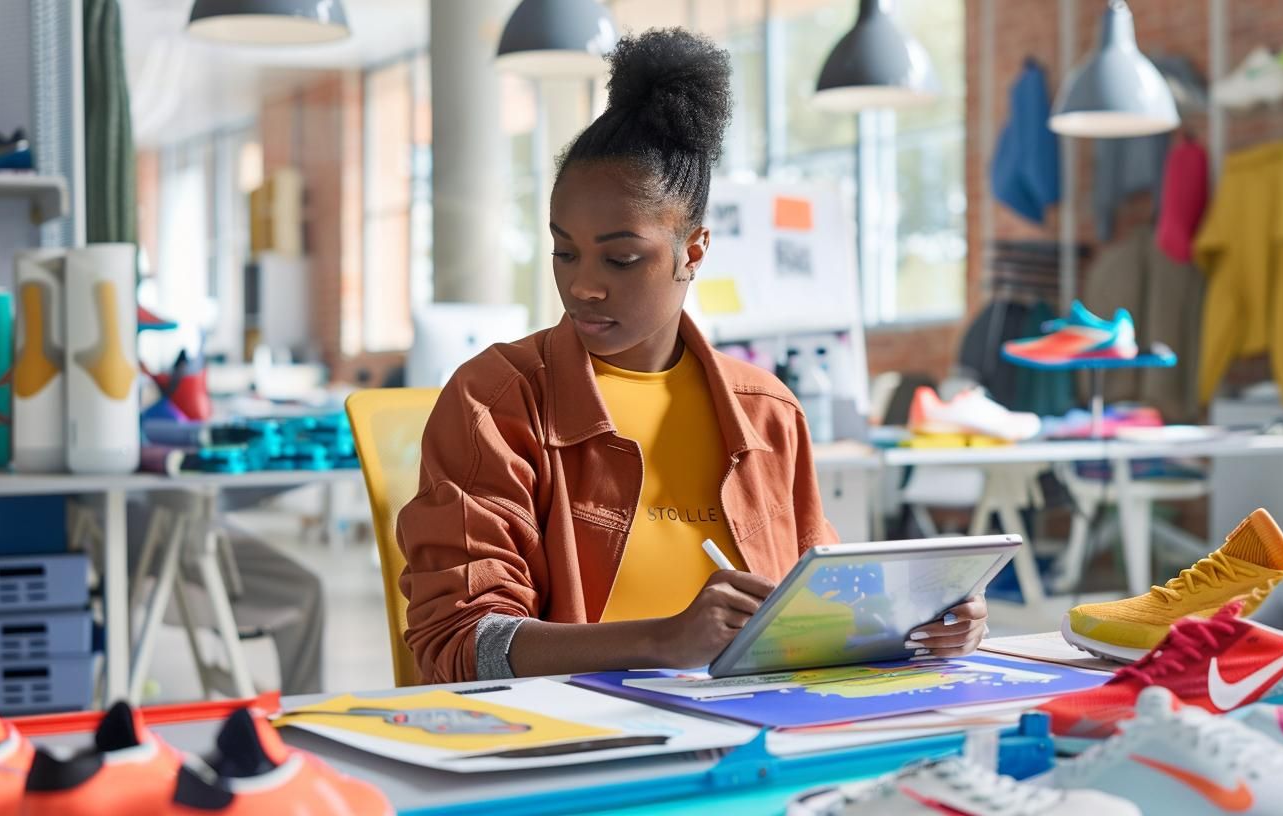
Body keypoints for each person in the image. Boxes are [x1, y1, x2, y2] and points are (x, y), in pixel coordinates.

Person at [396, 28, 987, 684]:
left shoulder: (768, 416)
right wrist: (665, 640)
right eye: (565, 251)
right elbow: (461, 642)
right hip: (581, 744)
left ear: (694, 252)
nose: (582, 285)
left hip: (749, 726)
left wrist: (918, 621)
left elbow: (820, 609)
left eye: (621, 257)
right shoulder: (496, 401)